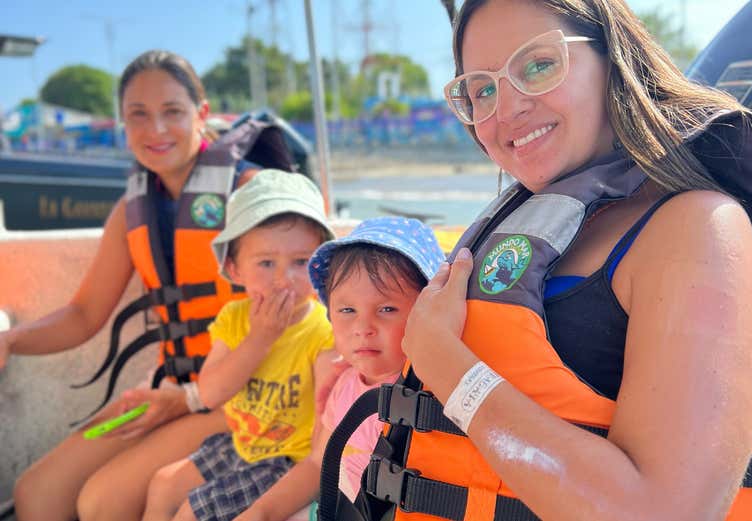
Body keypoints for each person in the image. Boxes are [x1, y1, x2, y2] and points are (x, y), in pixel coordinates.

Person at [364, 1, 752, 520]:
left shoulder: (700, 230)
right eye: (482, 90)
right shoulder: (535, 223)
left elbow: (664, 511)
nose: (507, 108)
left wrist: (448, 367)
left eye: (538, 65)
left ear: (613, 58)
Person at [1, 50, 276, 521]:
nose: (157, 130)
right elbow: (85, 314)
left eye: (172, 111)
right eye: (139, 115)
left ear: (202, 114)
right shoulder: (130, 210)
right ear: (123, 124)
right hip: (169, 388)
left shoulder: (254, 193)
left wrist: (189, 399)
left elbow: (303, 313)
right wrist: (10, 340)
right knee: (36, 494)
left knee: (101, 503)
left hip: (245, 393)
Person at [142, 170, 337, 521]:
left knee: (191, 513)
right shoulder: (234, 319)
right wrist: (260, 337)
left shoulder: (324, 331)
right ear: (234, 269)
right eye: (266, 263)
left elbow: (326, 428)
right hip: (243, 444)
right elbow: (211, 393)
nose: (284, 279)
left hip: (288, 460)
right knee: (162, 483)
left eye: (300, 262)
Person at [233, 216, 446, 521]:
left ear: (427, 313)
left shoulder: (431, 395)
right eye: (347, 310)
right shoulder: (345, 383)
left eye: (387, 309)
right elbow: (319, 464)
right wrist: (260, 512)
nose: (362, 327)